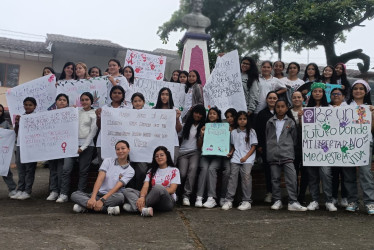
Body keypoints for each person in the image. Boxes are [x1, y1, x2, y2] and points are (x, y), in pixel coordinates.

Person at [71, 140, 135, 215]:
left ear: (128, 149)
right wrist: (93, 197)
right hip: (98, 194)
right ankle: (106, 209)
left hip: (112, 196)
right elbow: (100, 179)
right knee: (74, 194)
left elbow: (117, 187)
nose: (120, 151)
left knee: (120, 197)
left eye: (123, 148)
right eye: (118, 149)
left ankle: (86, 207)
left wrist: (103, 200)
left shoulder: (130, 170)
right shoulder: (108, 161)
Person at [267, 100, 307, 211]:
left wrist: (287, 147)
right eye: (278, 107)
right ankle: (277, 200)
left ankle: (293, 201)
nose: (280, 109)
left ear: (286, 108)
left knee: (291, 178)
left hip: (287, 154)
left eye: (282, 106)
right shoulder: (270, 122)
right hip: (273, 154)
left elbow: (294, 139)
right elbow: (268, 137)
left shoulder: (291, 122)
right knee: (275, 179)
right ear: (275, 108)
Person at [57, 93, 98, 203]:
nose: (84, 102)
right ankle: (63, 193)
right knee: (66, 169)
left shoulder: (94, 113)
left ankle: (79, 194)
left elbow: (93, 133)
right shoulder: (76, 112)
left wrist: (83, 147)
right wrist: (70, 110)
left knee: (83, 171)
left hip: (87, 146)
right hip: (72, 145)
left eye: (87, 99)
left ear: (91, 101)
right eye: (82, 100)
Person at [344, 79, 374, 214]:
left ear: (366, 91)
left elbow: (371, 129)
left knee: (365, 173)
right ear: (352, 91)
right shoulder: (345, 106)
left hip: (365, 143)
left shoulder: (370, 108)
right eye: (355, 88)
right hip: (347, 143)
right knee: (348, 173)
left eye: (361, 88)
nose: (358, 91)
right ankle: (353, 201)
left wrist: (372, 115)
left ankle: (369, 202)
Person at [123, 146, 181, 217]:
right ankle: (143, 209)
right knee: (127, 190)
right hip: (151, 198)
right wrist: (142, 197)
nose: (159, 157)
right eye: (156, 156)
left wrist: (156, 192)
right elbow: (145, 186)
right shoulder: (151, 171)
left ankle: (135, 208)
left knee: (158, 188)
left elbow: (172, 190)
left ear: (167, 156)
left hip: (167, 201)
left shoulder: (174, 170)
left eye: (162, 155)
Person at [306, 82, 337, 211]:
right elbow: (305, 129)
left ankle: (329, 200)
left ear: (323, 93)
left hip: (326, 148)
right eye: (315, 91)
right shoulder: (307, 110)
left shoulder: (330, 108)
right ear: (311, 93)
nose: (317, 93)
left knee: (326, 174)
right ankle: (314, 200)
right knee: (312, 175)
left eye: (320, 91)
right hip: (311, 148)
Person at [222, 111, 257, 211]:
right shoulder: (233, 132)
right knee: (232, 178)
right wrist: (231, 152)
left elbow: (253, 146)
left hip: (248, 158)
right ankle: (229, 200)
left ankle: (247, 200)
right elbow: (234, 146)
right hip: (236, 158)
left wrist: (246, 157)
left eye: (244, 119)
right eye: (240, 119)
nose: (242, 121)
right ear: (237, 120)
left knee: (246, 177)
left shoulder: (251, 131)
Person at [196, 107, 230, 208]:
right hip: (206, 155)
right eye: (210, 113)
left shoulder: (223, 127)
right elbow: (199, 145)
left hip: (217, 156)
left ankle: (211, 198)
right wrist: (201, 135)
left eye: (214, 113)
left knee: (211, 169)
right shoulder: (204, 127)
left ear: (218, 116)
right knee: (204, 170)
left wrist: (228, 132)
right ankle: (199, 197)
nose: (211, 115)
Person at [177, 104, 206, 206]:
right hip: (183, 153)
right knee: (182, 173)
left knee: (192, 171)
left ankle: (186, 195)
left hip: (195, 152)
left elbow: (199, 147)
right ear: (192, 113)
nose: (197, 115)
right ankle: (177, 193)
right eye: (196, 112)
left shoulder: (204, 127)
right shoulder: (185, 125)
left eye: (200, 114)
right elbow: (178, 136)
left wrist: (201, 135)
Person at [10, 97, 38, 200]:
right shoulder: (21, 116)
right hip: (20, 145)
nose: (28, 107)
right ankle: (20, 189)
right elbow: (17, 133)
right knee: (21, 169)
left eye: (30, 105)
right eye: (26, 105)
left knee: (29, 169)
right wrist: (17, 123)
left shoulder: (37, 117)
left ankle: (27, 191)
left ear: (35, 106)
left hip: (31, 146)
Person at [45, 94, 71, 202]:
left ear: (67, 103)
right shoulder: (50, 114)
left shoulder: (71, 114)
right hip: (52, 146)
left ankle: (63, 193)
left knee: (62, 170)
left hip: (64, 146)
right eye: (59, 100)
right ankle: (54, 191)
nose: (62, 102)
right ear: (55, 102)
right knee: (53, 170)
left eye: (64, 100)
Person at [96, 85, 127, 166]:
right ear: (111, 94)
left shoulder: (127, 109)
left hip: (121, 143)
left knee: (119, 167)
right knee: (103, 167)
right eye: (114, 93)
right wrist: (98, 117)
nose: (117, 94)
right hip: (103, 142)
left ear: (123, 95)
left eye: (119, 93)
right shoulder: (104, 108)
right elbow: (99, 126)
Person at [255, 91, 278, 203]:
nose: (272, 100)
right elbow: (258, 131)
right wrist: (259, 146)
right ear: (267, 100)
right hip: (266, 148)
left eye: (274, 98)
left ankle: (278, 194)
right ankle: (270, 192)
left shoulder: (282, 112)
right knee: (269, 171)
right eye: (270, 98)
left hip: (281, 147)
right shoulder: (261, 114)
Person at [329, 88, 348, 207]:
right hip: (332, 146)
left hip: (346, 145)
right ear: (330, 96)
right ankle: (334, 197)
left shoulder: (350, 108)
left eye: (338, 94)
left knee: (346, 174)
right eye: (333, 94)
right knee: (334, 174)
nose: (336, 96)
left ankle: (345, 197)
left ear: (343, 96)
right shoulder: (326, 109)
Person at [126, 92, 149, 191]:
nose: (137, 103)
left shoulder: (150, 114)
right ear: (132, 103)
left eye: (139, 101)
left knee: (142, 171)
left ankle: (139, 192)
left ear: (143, 102)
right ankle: (129, 191)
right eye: (135, 101)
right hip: (130, 148)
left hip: (143, 149)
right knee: (129, 171)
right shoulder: (127, 115)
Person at [154, 87, 182, 162]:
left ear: (170, 96)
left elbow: (178, 130)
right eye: (162, 94)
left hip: (172, 142)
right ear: (159, 96)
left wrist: (177, 118)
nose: (164, 96)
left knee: (172, 163)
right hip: (157, 141)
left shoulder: (175, 110)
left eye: (167, 94)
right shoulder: (153, 110)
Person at [290, 91, 308, 203]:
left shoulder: (308, 111)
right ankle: (294, 196)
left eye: (299, 97)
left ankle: (302, 196)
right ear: (291, 99)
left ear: (303, 99)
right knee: (293, 172)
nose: (297, 99)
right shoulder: (288, 112)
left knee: (305, 172)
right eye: (294, 97)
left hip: (306, 146)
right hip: (292, 147)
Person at [0, 104, 17, 197]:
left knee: (5, 171)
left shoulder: (5, 123)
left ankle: (12, 189)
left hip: (2, 152)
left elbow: (10, 137)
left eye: (0, 111)